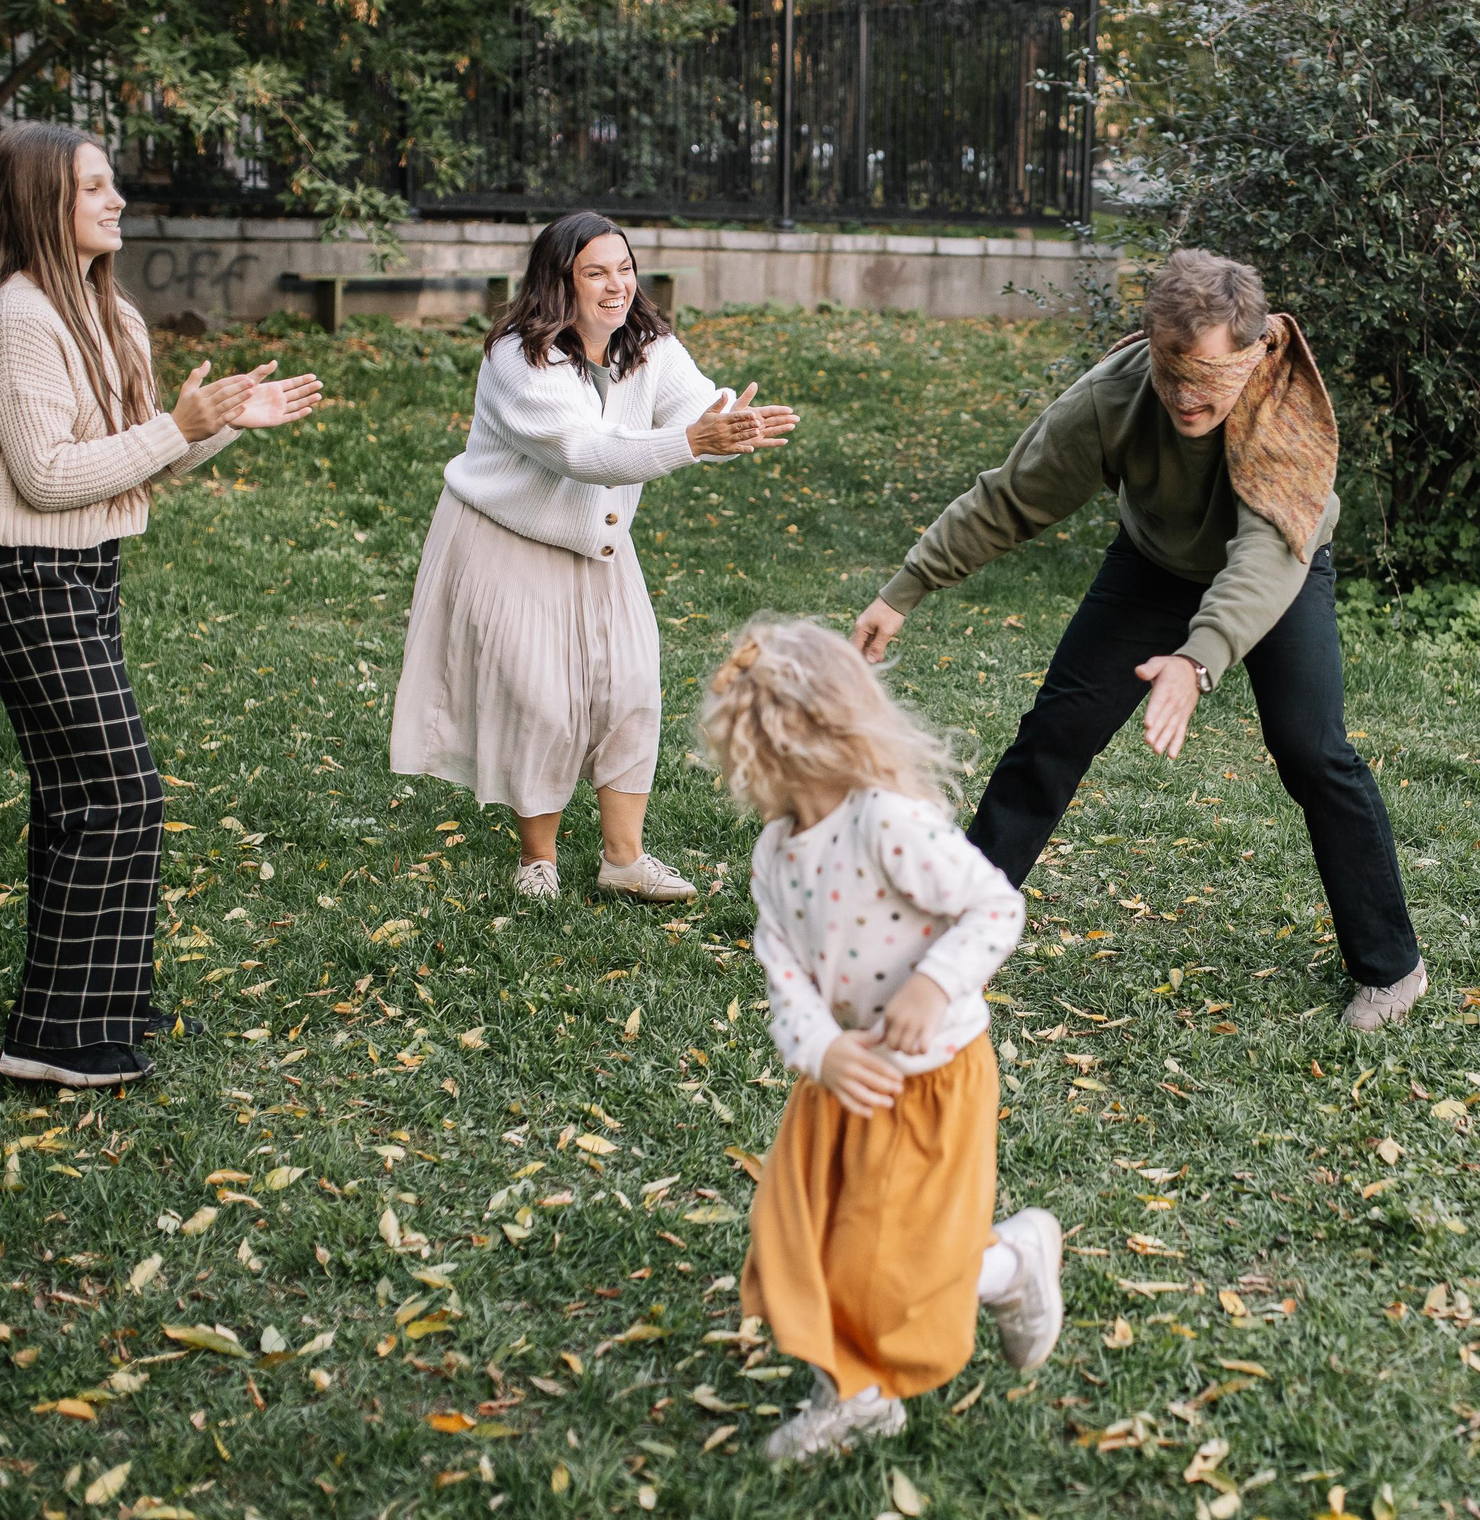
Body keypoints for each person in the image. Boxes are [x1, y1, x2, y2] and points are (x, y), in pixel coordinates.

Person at [851, 250, 1427, 1031]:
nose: (1187, 397)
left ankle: (1392, 967)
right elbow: (1011, 496)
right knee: (1053, 734)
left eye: (1207, 379)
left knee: (1312, 750)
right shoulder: (1116, 396)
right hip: (1154, 564)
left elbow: (1261, 557)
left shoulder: (1283, 407)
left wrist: (1197, 658)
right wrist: (907, 586)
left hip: (1278, 563)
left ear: (1254, 353)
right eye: (1170, 372)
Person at [0, 121, 321, 1089]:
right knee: (121, 795)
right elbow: (48, 479)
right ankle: (58, 1038)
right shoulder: (19, 318)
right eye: (94, 188)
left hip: (84, 572)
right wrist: (176, 425)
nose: (116, 202)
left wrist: (218, 425)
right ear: (39, 204)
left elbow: (143, 455)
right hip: (25, 580)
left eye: (112, 185)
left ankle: (88, 1006)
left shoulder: (113, 318)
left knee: (80, 799)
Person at [697, 619, 1063, 1462]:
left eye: (755, 754)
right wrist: (822, 1049)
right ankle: (855, 1390)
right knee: (812, 1243)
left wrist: (933, 984)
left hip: (931, 1077)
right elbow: (781, 967)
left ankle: (1010, 1262)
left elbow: (995, 906)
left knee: (892, 1263)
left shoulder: (887, 823)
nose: (745, 777)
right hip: (841, 1081)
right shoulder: (773, 854)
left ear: (810, 739)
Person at [389, 211, 797, 900]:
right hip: (507, 538)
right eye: (597, 272)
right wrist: (693, 442)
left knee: (631, 687)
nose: (617, 286)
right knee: (543, 701)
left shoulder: (647, 343)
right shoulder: (519, 359)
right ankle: (537, 858)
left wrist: (731, 418)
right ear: (560, 282)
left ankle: (623, 859)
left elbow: (694, 401)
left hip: (599, 542)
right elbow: (585, 453)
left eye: (625, 268)